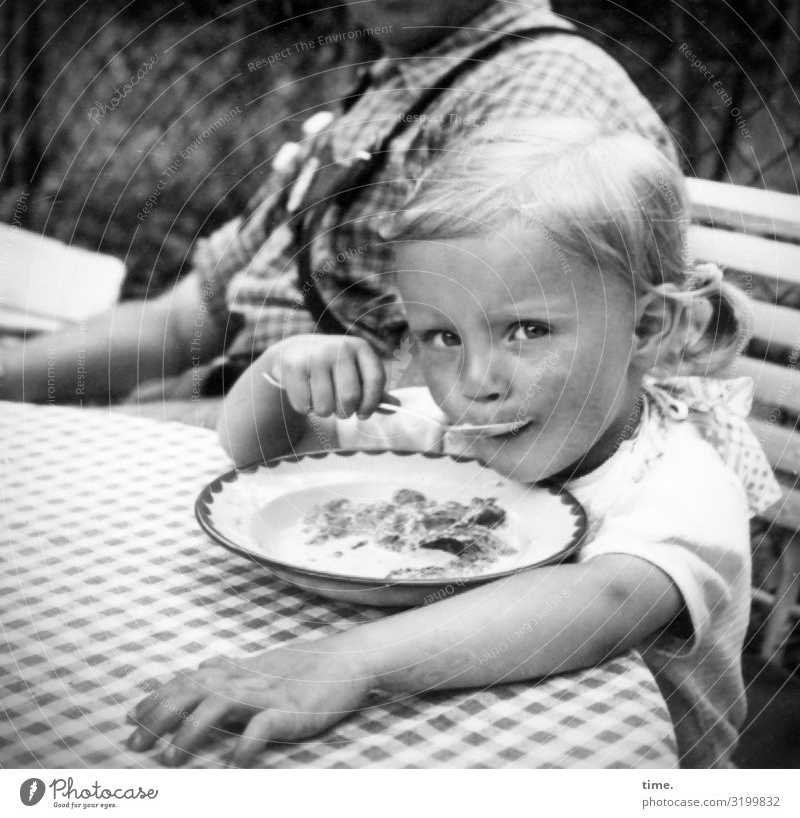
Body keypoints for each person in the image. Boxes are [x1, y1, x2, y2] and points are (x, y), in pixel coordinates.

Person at [127, 121, 780, 768]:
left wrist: (350, 658)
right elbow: (271, 458)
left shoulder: (684, 484)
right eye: (443, 336)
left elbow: (600, 601)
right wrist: (280, 372)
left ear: (646, 327)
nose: (473, 383)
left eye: (526, 329)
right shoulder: (456, 434)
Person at [0, 0, 675, 423]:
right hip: (225, 416)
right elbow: (186, 321)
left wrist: (141, 431)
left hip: (312, 460)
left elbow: (461, 402)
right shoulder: (402, 84)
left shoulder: (539, 102)